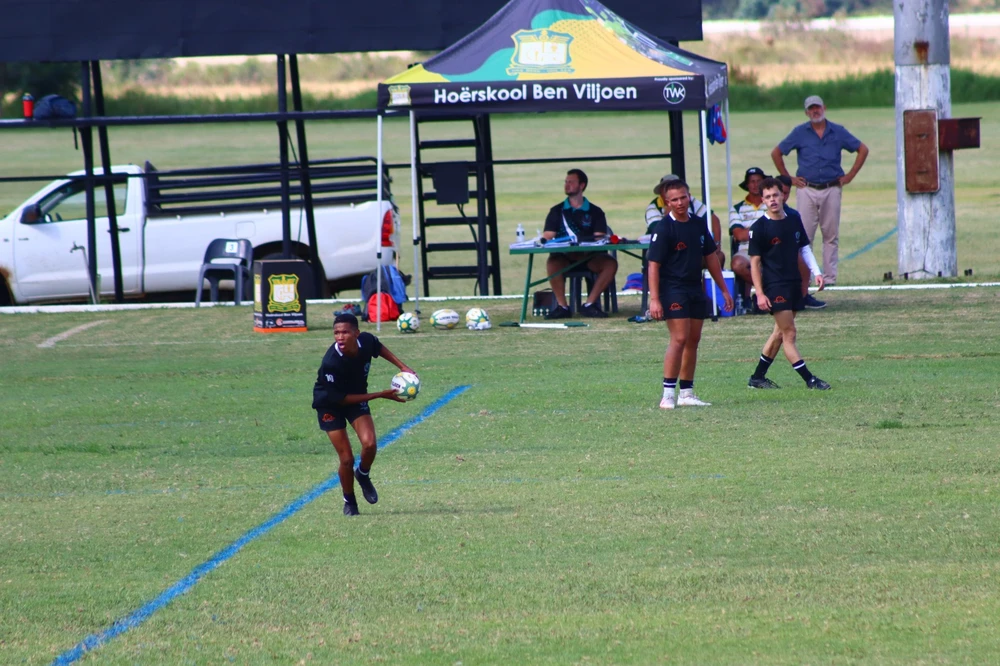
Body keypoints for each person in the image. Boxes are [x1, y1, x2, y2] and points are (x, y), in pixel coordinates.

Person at [312, 312, 417, 516]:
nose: (340, 337)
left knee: (369, 444)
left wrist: (403, 367)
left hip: (356, 398)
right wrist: (379, 395)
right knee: (346, 459)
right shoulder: (331, 363)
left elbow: (378, 347)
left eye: (345, 332)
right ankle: (350, 501)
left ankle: (363, 474)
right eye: (336, 333)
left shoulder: (366, 341)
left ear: (356, 333)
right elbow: (341, 399)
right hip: (330, 405)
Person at [648, 179, 733, 409]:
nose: (680, 203)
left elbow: (711, 258)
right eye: (674, 199)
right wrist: (654, 299)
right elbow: (653, 265)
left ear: (689, 197)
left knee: (693, 340)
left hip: (695, 288)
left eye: (683, 197)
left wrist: (723, 289)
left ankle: (686, 393)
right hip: (673, 289)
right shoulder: (664, 228)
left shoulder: (698, 224)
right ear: (667, 202)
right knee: (679, 338)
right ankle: (668, 394)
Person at [771, 95, 869, 285]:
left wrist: (850, 176)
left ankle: (829, 277)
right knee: (803, 235)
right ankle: (805, 277)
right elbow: (776, 153)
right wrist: (789, 179)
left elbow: (862, 149)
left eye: (817, 107)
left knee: (830, 235)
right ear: (806, 112)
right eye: (811, 108)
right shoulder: (800, 132)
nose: (815, 111)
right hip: (806, 189)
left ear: (824, 108)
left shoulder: (838, 131)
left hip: (832, 187)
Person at [747, 178, 830, 391]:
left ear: (783, 195)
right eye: (767, 197)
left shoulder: (793, 219)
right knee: (789, 333)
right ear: (762, 200)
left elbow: (804, 248)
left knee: (779, 332)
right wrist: (759, 293)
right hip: (775, 286)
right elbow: (754, 263)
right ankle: (810, 380)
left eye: (775, 195)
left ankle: (757, 377)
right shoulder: (759, 228)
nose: (772, 200)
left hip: (793, 283)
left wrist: (817, 272)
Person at [542, 168, 617, 319]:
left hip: (589, 257)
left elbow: (600, 237)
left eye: (571, 182)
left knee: (611, 264)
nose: (567, 185)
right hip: (564, 258)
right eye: (566, 182)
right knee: (552, 263)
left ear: (582, 185)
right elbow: (548, 236)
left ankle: (589, 304)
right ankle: (562, 307)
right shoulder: (556, 211)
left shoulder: (595, 211)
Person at [645, 174, 725, 268]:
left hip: (693, 250)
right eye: (668, 188)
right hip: (668, 253)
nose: (680, 202)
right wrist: (670, 211)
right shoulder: (653, 208)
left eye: (676, 186)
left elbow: (714, 219)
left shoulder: (691, 202)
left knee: (718, 257)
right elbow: (661, 231)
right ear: (662, 192)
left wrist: (717, 244)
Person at [778, 174, 826, 310]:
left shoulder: (793, 216)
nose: (782, 197)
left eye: (786, 193)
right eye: (779, 193)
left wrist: (817, 272)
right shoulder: (761, 219)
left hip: (787, 259)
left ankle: (802, 297)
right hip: (768, 260)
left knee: (798, 257)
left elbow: (804, 246)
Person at [728, 167, 769, 290]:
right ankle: (765, 290)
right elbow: (740, 235)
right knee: (737, 264)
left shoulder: (771, 203)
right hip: (747, 250)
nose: (756, 185)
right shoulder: (737, 208)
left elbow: (778, 229)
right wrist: (764, 229)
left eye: (759, 181)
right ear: (747, 184)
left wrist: (749, 230)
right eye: (752, 181)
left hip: (771, 247)